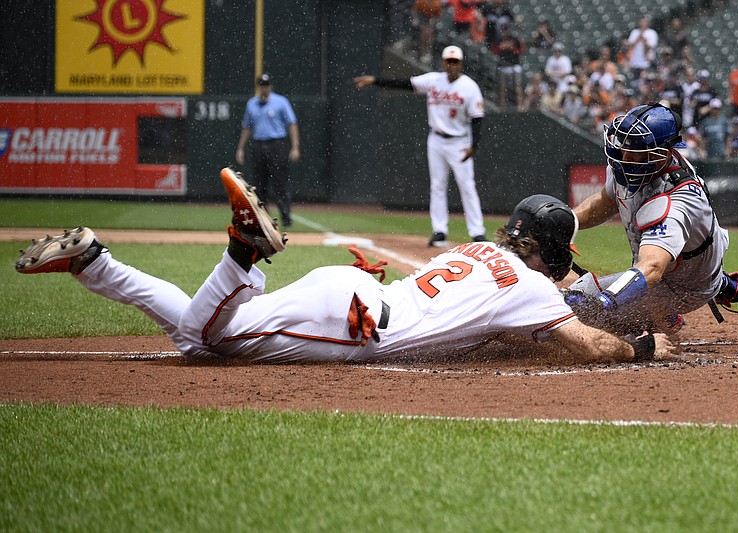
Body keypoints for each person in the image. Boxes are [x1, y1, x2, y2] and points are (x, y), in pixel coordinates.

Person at [15, 168, 672, 364]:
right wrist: (642, 346)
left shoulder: (474, 252)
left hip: (350, 290)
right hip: (356, 323)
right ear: (551, 255)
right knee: (212, 336)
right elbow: (586, 343)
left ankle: (96, 262)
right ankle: (243, 255)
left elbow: (492, 323)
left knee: (196, 330)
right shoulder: (528, 286)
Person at [562, 103, 738, 338]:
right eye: (624, 145)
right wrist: (566, 223)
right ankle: (722, 286)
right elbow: (604, 203)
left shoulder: (676, 202)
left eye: (635, 148)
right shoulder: (636, 165)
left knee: (575, 308)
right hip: (683, 265)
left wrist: (603, 303)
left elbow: (652, 268)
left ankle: (660, 316)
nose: (624, 155)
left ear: (663, 153)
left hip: (682, 287)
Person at [354, 45, 487, 247]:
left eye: (455, 62)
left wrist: (473, 146)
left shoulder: (470, 87)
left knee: (467, 186)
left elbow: (477, 118)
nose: (452, 65)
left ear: (460, 64)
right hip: (436, 139)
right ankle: (439, 230)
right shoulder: (434, 80)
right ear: (444, 63)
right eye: (449, 61)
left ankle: (477, 233)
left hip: (460, 141)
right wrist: (375, 80)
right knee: (437, 186)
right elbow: (405, 83)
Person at [235, 73, 300, 228]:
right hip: (259, 145)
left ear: (270, 86)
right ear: (259, 87)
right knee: (259, 184)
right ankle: (263, 219)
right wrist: (240, 148)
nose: (264, 87)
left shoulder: (280, 102)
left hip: (276, 144)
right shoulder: (252, 104)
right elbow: (247, 127)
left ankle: (286, 219)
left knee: (280, 183)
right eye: (262, 85)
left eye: (267, 84)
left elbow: (292, 124)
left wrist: (295, 147)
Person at [491, 23, 525, 110]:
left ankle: (520, 105)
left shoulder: (514, 39)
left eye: (505, 30)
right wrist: (501, 48)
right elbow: (494, 51)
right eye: (503, 30)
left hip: (514, 65)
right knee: (503, 86)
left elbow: (521, 51)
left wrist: (512, 48)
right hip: (503, 65)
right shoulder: (498, 39)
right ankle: (503, 105)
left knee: (517, 86)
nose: (504, 32)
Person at [626, 17, 658, 82]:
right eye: (641, 22)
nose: (643, 23)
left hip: (647, 62)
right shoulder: (635, 32)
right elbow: (629, 44)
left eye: (645, 22)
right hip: (635, 62)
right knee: (635, 81)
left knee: (646, 82)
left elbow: (653, 45)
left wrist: (644, 40)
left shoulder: (652, 32)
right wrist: (637, 38)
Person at [411, 0, 443, 65]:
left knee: (428, 35)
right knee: (424, 35)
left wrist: (433, 20)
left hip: (430, 19)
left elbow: (438, 15)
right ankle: (423, 52)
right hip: (421, 17)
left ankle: (427, 53)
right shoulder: (421, 1)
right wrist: (416, 18)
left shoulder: (437, 3)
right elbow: (415, 10)